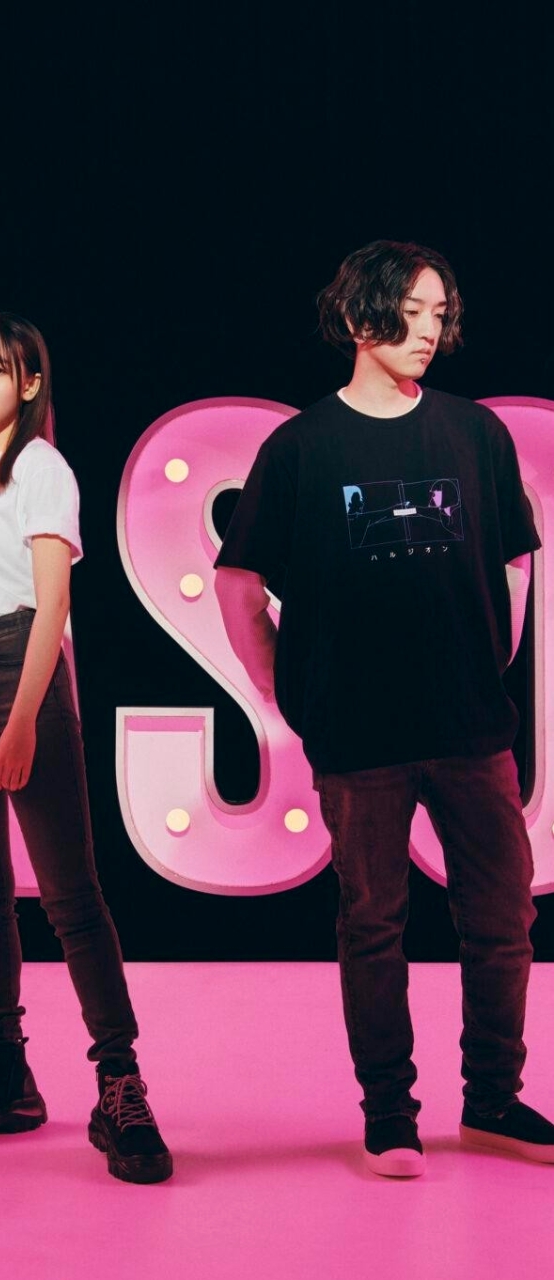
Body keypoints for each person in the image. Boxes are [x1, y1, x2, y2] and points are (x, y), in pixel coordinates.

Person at [214, 240, 554, 1177]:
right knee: (374, 927)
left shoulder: (475, 434)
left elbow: (514, 556)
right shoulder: (301, 447)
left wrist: (491, 648)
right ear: (362, 314)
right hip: (359, 735)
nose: (430, 329)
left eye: (440, 312)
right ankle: (390, 1115)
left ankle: (493, 1101)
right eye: (413, 309)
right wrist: (286, 688)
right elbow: (239, 584)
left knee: (503, 920)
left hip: (471, 727)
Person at [0, 312, 172, 1184]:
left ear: (30, 384)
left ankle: (120, 1085)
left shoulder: (41, 470)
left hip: (19, 670)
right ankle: (3, 1076)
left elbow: (52, 604)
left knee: (70, 897)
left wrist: (21, 721)